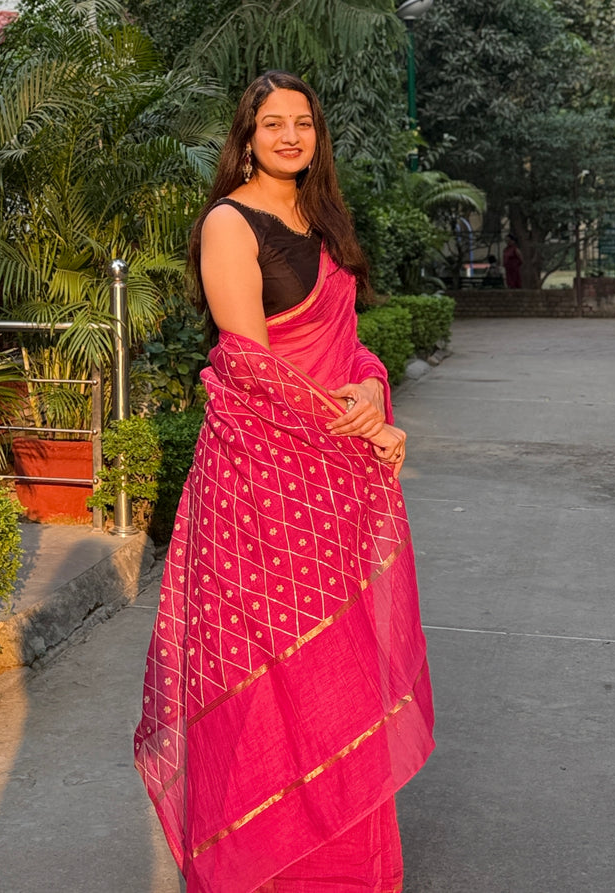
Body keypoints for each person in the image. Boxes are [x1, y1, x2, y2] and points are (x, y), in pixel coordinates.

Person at [134, 72, 434, 893]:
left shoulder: (320, 218)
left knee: (337, 672)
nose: (291, 136)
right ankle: (258, 868)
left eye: (303, 123)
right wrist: (366, 425)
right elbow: (247, 364)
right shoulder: (231, 221)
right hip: (261, 488)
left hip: (334, 483)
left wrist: (373, 389)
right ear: (248, 134)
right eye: (274, 123)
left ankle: (342, 867)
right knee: (265, 675)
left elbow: (351, 343)